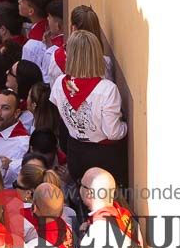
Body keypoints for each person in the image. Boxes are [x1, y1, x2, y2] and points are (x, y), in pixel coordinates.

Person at [50, 31, 127, 185]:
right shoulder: (107, 89)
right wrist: (126, 127)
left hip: (75, 153)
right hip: (104, 158)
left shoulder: (59, 83)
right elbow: (113, 133)